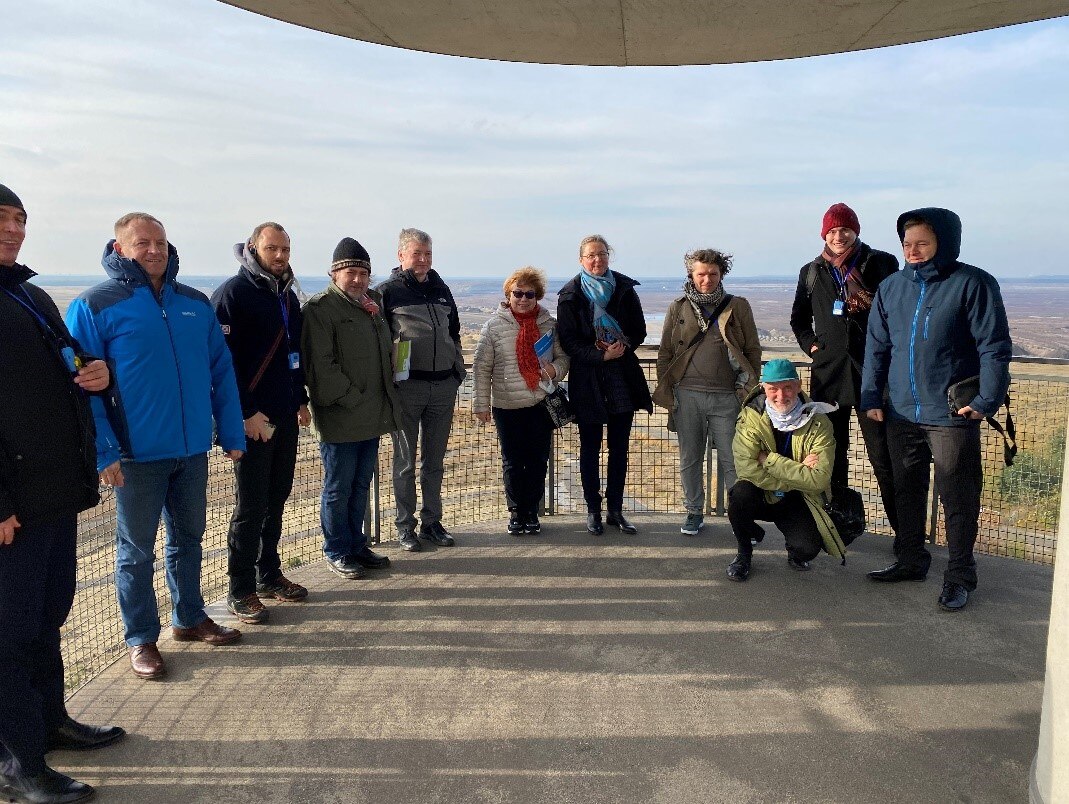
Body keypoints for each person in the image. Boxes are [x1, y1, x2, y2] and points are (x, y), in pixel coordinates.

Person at [66, 213, 246, 681]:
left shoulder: (194, 304)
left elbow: (221, 371)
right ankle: (141, 638)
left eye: (161, 242)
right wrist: (104, 451)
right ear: (120, 248)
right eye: (143, 243)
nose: (154, 250)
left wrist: (230, 434)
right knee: (136, 552)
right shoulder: (95, 305)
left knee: (188, 540)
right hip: (134, 457)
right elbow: (81, 388)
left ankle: (188, 617)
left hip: (190, 451)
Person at [1, 184, 123, 804]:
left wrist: (94, 377)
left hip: (52, 492)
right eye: (2, 220)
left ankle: (50, 722)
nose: (14, 230)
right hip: (12, 506)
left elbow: (72, 365)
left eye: (20, 220)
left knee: (48, 615)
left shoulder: (30, 295)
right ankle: (20, 762)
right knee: (10, 632)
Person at [860, 208, 1011, 611]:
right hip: (901, 412)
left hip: (951, 414)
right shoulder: (892, 287)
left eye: (922, 242)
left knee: (958, 499)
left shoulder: (973, 284)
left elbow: (993, 348)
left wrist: (985, 402)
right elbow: (877, 347)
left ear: (945, 242)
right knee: (905, 490)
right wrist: (872, 398)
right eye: (907, 243)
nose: (913, 250)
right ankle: (910, 560)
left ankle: (960, 575)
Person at [211, 223, 312, 624]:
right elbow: (224, 363)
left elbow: (294, 352)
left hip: (285, 413)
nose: (281, 255)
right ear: (253, 248)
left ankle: (269, 574)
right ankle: (240, 590)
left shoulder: (287, 295)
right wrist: (245, 412)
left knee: (277, 498)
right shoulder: (233, 295)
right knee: (250, 506)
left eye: (286, 248)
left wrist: (300, 400)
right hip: (252, 418)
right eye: (273, 248)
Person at [790, 202, 899, 530]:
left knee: (883, 458)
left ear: (856, 231)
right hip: (829, 375)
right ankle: (834, 524)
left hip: (872, 375)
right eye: (832, 231)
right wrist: (812, 346)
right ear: (824, 234)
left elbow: (896, 310)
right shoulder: (811, 271)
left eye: (845, 229)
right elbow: (798, 318)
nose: (839, 236)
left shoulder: (880, 263)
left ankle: (904, 535)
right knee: (830, 454)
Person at [303, 238, 403, 579]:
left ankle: (357, 545)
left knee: (361, 484)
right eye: (350, 272)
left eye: (363, 273)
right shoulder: (320, 309)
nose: (358, 279)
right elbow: (321, 367)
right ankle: (337, 550)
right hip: (342, 416)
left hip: (372, 414)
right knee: (338, 487)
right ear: (334, 273)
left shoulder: (370, 304)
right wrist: (354, 399)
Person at [654, 248, 761, 536]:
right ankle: (693, 512)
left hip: (728, 396)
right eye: (701, 274)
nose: (707, 280)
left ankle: (741, 517)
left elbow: (752, 349)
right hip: (686, 395)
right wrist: (668, 389)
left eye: (713, 274)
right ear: (691, 274)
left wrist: (747, 388)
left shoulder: (737, 306)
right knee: (690, 457)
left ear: (721, 274)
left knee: (733, 459)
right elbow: (665, 351)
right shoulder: (678, 307)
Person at [557, 235, 653, 535]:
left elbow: (639, 329)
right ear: (581, 259)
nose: (597, 260)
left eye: (601, 254)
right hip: (588, 380)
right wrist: (600, 355)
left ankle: (615, 510)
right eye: (590, 255)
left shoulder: (624, 289)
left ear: (608, 256)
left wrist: (622, 347)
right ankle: (592, 510)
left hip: (621, 377)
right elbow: (569, 341)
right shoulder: (570, 295)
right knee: (590, 448)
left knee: (619, 448)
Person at [377, 229, 466, 551]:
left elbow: (453, 332)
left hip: (443, 387)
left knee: (435, 462)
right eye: (417, 254)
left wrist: (457, 371)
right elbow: (379, 340)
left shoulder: (441, 289)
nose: (424, 260)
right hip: (407, 389)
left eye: (428, 254)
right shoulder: (386, 291)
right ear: (401, 256)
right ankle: (405, 527)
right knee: (404, 463)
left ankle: (432, 523)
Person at [472, 267, 570, 535]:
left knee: (538, 460)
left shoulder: (548, 325)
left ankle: (531, 511)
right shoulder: (493, 326)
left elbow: (563, 358)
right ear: (508, 294)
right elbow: (481, 367)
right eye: (518, 293)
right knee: (513, 461)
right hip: (507, 405)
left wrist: (553, 371)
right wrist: (481, 404)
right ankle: (516, 512)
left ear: (537, 296)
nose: (523, 299)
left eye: (530, 294)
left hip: (540, 403)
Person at [727, 359, 841, 582]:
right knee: (740, 495)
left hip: (795, 500)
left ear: (799, 385)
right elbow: (748, 470)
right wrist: (798, 473)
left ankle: (794, 551)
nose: (781, 395)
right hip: (762, 493)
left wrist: (768, 459)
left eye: (787, 387)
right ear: (763, 389)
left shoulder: (818, 422)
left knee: (807, 548)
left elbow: (819, 480)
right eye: (773, 389)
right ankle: (744, 553)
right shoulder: (750, 418)